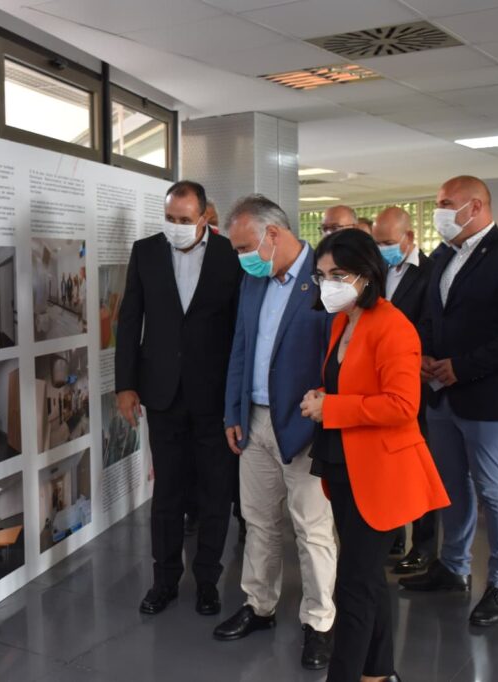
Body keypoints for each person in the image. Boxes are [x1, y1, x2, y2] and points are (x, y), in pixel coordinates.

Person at [300, 228, 449, 682]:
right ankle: (378, 672)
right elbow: (354, 384)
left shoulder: (393, 326)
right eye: (322, 275)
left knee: (354, 585)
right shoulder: (346, 320)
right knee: (365, 579)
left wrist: (332, 407)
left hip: (381, 472)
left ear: (366, 275)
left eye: (338, 274)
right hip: (344, 464)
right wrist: (325, 395)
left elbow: (403, 404)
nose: (328, 284)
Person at [400, 176, 498, 629]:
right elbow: (428, 314)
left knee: (494, 490)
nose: (440, 211)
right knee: (451, 487)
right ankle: (453, 566)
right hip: (442, 395)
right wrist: (423, 353)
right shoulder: (443, 255)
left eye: (446, 203)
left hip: (490, 395)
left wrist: (463, 366)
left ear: (477, 206)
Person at [214, 194, 337, 671]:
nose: (241, 257)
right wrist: (233, 412)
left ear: (274, 234)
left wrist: (326, 415)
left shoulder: (325, 278)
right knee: (258, 520)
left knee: (312, 529)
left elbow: (335, 355)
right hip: (255, 421)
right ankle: (258, 605)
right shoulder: (253, 279)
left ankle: (320, 622)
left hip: (304, 424)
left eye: (245, 245)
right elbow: (240, 348)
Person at [115, 180, 242, 618]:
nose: (175, 227)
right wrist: (125, 385)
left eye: (184, 220)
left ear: (205, 218)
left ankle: (207, 580)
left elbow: (240, 329)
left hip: (214, 394)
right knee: (167, 492)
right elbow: (130, 320)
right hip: (162, 393)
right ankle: (164, 580)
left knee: (214, 493)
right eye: (169, 218)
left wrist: (239, 396)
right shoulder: (146, 252)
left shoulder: (230, 256)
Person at [371, 206, 440, 574]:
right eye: (378, 242)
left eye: (388, 242)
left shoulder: (430, 272)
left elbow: (430, 324)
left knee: (418, 464)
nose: (383, 249)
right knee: (389, 463)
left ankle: (425, 544)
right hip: (380, 382)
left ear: (409, 238)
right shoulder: (378, 272)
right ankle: (392, 533)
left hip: (417, 381)